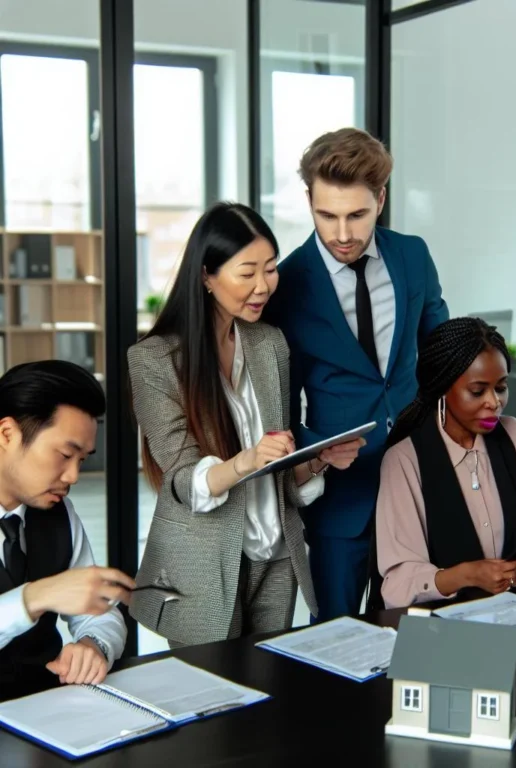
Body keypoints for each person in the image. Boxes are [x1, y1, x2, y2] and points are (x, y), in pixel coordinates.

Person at [128, 202, 364, 648]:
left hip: (277, 555)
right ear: (206, 276)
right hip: (204, 564)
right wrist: (247, 460)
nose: (263, 286)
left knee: (268, 694)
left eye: (271, 269)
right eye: (247, 272)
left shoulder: (270, 344)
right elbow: (182, 480)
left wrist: (317, 462)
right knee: (209, 701)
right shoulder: (153, 360)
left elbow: (278, 473)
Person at [263, 128, 448, 622]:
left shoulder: (412, 256)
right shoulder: (287, 284)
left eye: (357, 215)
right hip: (340, 501)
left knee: (419, 630)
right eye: (327, 215)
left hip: (418, 484)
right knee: (336, 639)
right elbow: (276, 405)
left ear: (381, 199)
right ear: (309, 201)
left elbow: (443, 354)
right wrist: (316, 450)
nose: (342, 233)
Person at [373, 318, 516, 610]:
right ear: (442, 388)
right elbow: (398, 584)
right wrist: (466, 575)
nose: (494, 402)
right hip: (439, 627)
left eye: (501, 387)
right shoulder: (404, 461)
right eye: (478, 391)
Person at [0, 361, 131, 692]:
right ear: (7, 434)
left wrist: (93, 645)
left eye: (82, 460)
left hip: (46, 710)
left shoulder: (59, 513)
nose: (73, 476)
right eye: (64, 454)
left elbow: (100, 611)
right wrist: (35, 596)